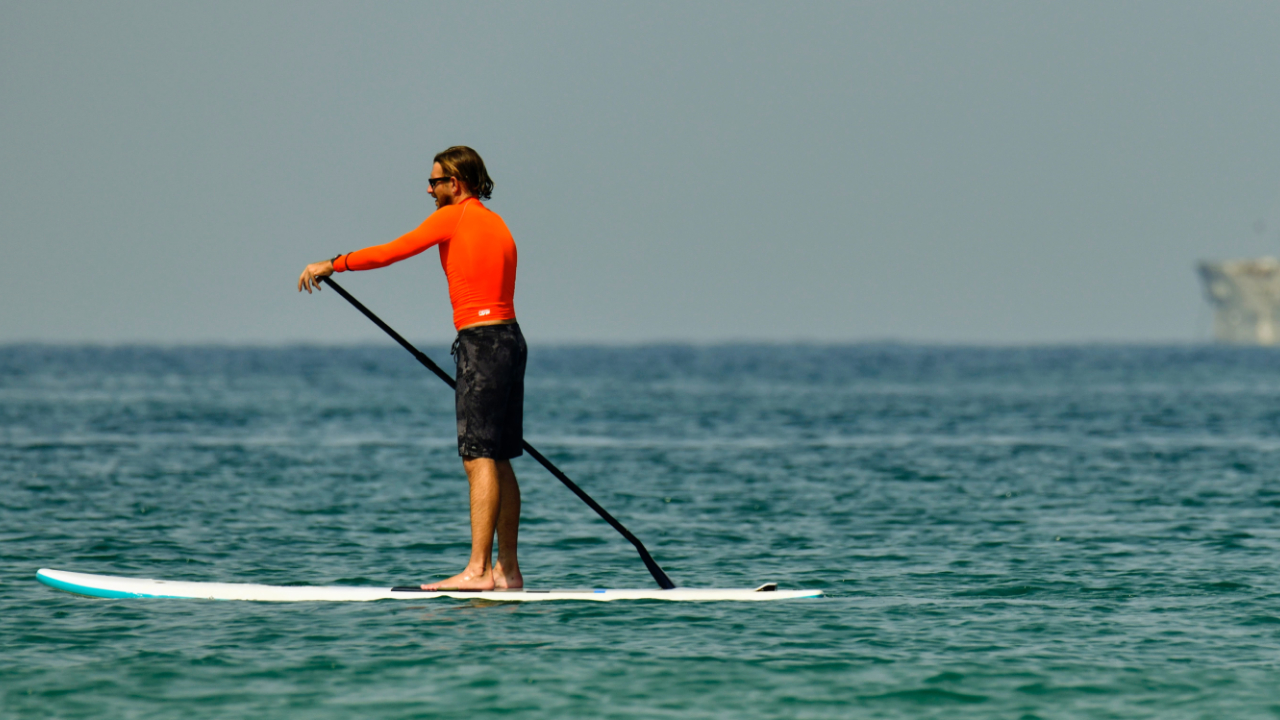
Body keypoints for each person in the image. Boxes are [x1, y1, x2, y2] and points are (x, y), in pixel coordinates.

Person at [297, 146, 525, 591]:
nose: (429, 189)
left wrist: (333, 264)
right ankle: (508, 571)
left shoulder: (454, 215)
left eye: (434, 182)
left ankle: (478, 571)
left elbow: (392, 251)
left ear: (454, 184)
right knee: (498, 457)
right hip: (511, 341)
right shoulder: (497, 222)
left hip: (481, 346)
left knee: (478, 457)